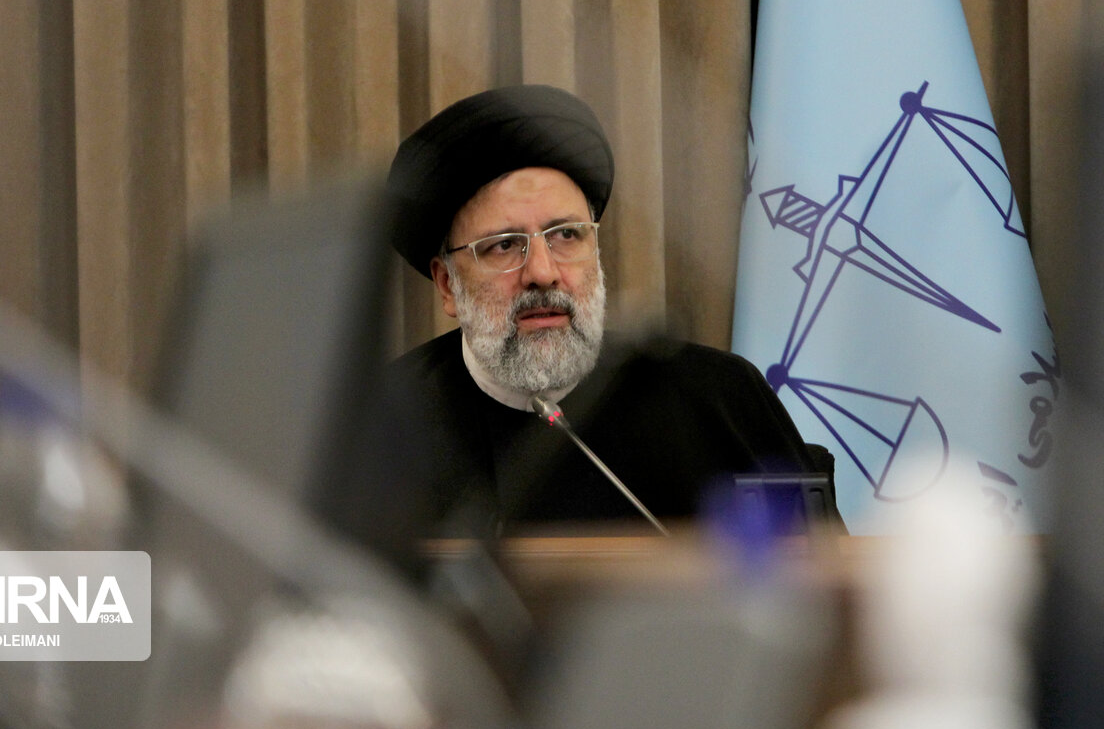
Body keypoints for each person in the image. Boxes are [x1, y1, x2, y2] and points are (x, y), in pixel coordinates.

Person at [335, 85, 835, 571]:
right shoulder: (380, 429)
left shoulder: (723, 398)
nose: (543, 272)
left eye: (566, 235)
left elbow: (820, 587)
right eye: (504, 245)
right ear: (447, 285)